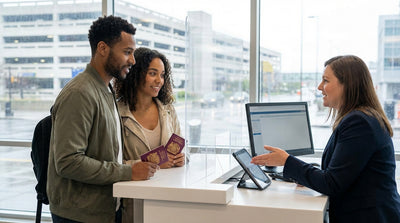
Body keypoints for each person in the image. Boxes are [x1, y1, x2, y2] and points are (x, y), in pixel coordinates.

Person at [251, 55, 400, 223]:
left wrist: (286, 161)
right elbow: (341, 176)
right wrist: (305, 175)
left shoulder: (359, 122)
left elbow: (332, 183)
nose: (320, 87)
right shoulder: (361, 118)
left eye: (326, 81)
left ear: (347, 85)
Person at [47, 16, 159, 223]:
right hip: (80, 215)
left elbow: (106, 152)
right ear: (102, 48)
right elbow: (68, 162)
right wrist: (128, 172)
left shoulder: (105, 89)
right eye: (127, 52)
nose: (133, 60)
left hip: (105, 207)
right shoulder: (80, 93)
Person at [114, 47, 185, 223]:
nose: (159, 81)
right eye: (153, 73)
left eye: (162, 75)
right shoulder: (117, 113)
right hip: (133, 200)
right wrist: (152, 162)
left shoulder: (168, 109)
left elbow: (182, 145)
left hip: (167, 196)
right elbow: (112, 164)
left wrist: (182, 158)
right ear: (136, 74)